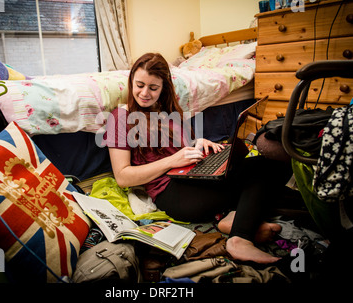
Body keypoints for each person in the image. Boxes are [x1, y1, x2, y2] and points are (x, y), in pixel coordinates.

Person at [103, 53, 292, 264]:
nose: (144, 93)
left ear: (164, 87)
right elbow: (123, 176)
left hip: (194, 172)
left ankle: (234, 216)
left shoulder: (169, 112)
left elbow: (185, 148)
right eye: (139, 85)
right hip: (172, 191)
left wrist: (199, 143)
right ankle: (240, 238)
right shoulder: (120, 117)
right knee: (259, 178)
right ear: (131, 82)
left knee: (271, 162)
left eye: (153, 88)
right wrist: (172, 161)